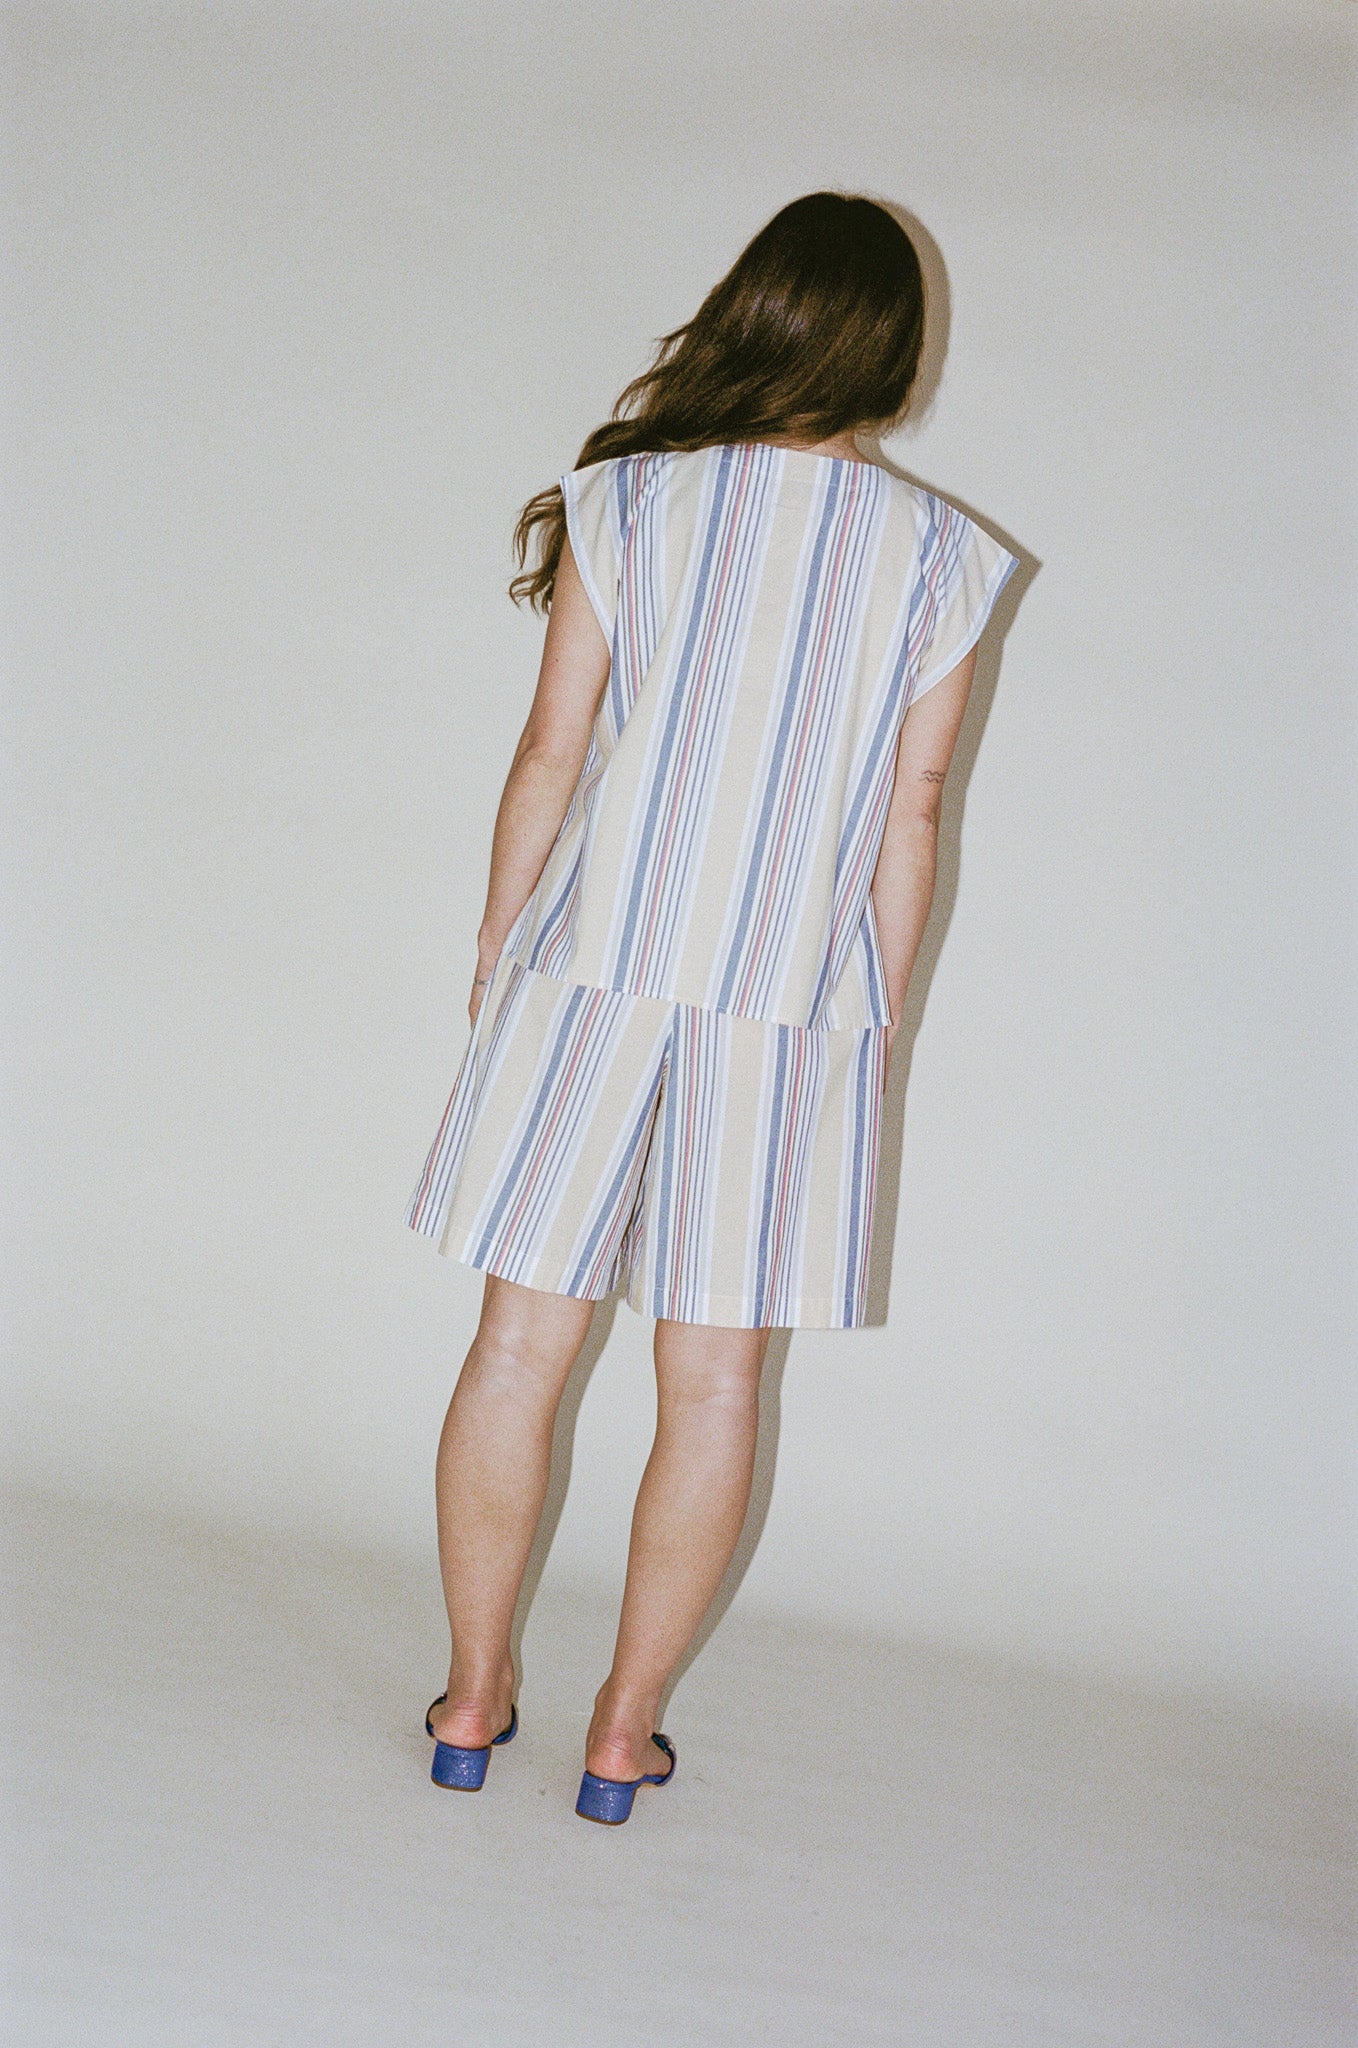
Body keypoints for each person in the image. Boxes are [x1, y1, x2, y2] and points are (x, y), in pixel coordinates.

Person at [404, 191, 1017, 1823]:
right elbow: (912, 814)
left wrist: (495, 946)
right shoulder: (942, 557)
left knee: (516, 1349)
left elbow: (552, 751)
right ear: (894, 355)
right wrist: (873, 1020)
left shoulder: (629, 500)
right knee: (719, 1386)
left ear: (749, 309)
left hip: (593, 966)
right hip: (782, 1002)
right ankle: (622, 1735)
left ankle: (471, 1700)